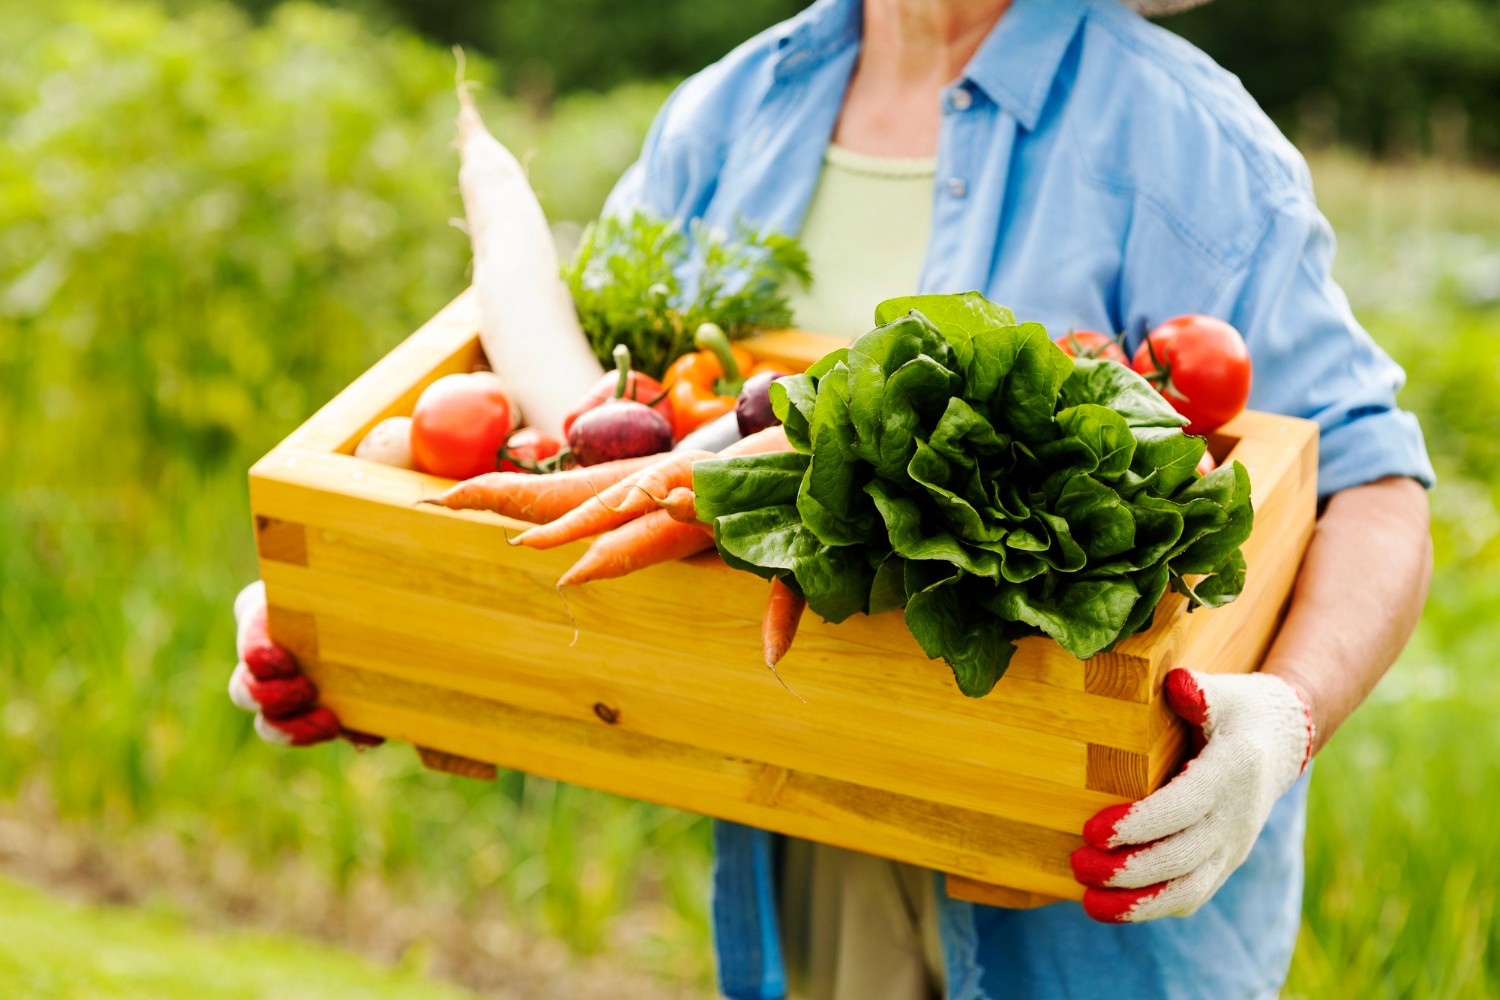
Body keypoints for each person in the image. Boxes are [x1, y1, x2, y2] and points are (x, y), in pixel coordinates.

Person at [228, 0, 1435, 996]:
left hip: (1091, 926)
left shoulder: (1187, 141)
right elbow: (589, 424)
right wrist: (359, 614)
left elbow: (1375, 489)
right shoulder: (732, 111)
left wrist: (1283, 720)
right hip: (802, 865)